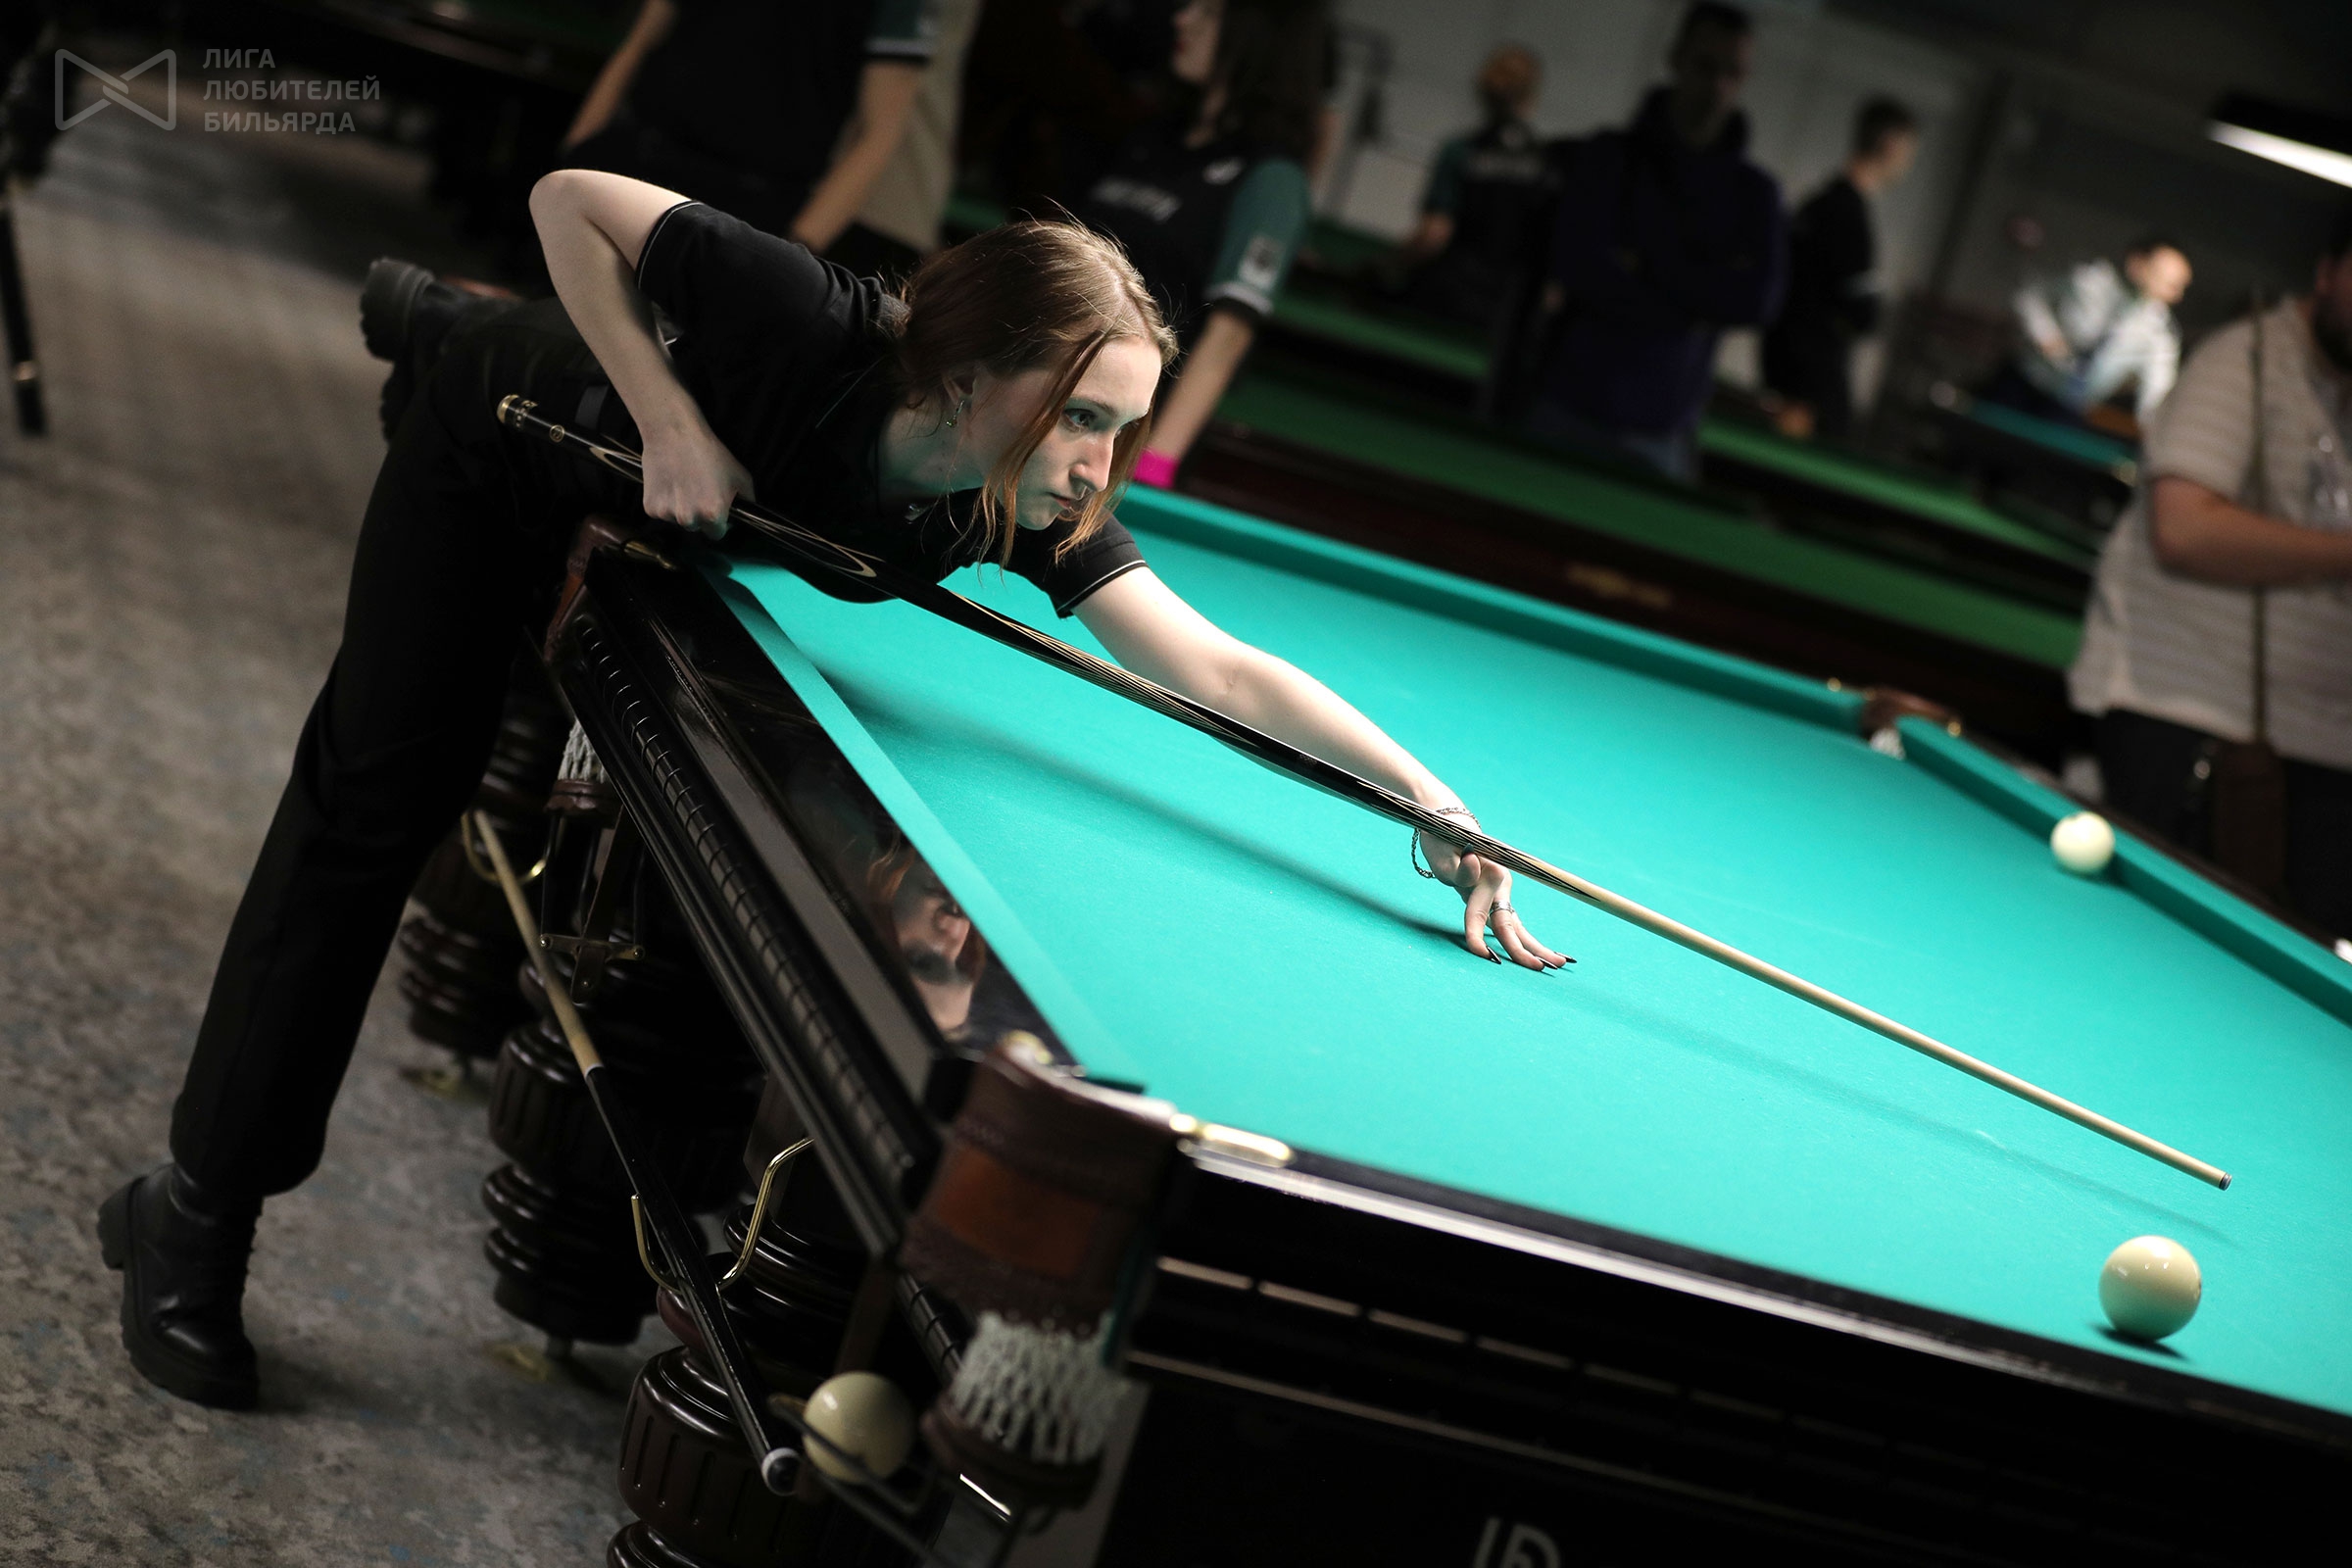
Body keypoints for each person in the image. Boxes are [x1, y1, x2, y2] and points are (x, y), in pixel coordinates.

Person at [95, 174, 1567, 1410]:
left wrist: (1427, 801)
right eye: (1083, 418)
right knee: (376, 806)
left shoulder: (1015, 502)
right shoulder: (806, 317)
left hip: (641, 509)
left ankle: (427, 316)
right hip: (510, 442)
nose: (1101, 465)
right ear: (974, 375)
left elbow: (1216, 668)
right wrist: (672, 419)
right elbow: (565, 200)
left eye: (1122, 428)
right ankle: (193, 1213)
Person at [2069, 214, 2352, 936]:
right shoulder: (2246, 361)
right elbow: (2185, 531)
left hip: (2315, 749)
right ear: (2327, 273)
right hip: (2193, 733)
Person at [1523, 2, 1786, 480]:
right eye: (1706, 66)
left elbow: (1757, 302)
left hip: (1663, 432)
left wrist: (1645, 264)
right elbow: (1579, 267)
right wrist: (1699, 296)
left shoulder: (1755, 194)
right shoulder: (1609, 159)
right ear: (1676, 60)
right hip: (1567, 409)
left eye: (1733, 73)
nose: (1717, 86)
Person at [1070, 0, 1325, 486]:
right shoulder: (1149, 138)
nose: (1181, 18)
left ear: (1256, 37)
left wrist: (1150, 470)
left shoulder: (1271, 179)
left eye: (1208, 12)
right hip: (1048, 409)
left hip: (1117, 450)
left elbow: (1228, 337)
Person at [559, 0, 935, 258]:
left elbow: (880, 131)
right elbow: (641, 41)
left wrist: (793, 249)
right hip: (631, 163)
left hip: (748, 212)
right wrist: (574, 155)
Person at [1760, 96, 1918, 441]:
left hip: (1785, 374)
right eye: (1909, 150)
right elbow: (1863, 315)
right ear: (1890, 144)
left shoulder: (1819, 204)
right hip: (1808, 394)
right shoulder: (1847, 216)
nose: (1908, 163)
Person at [1396, 44, 1556, 338]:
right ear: (1532, 97)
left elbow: (1433, 235)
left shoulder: (1462, 152)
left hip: (1447, 302)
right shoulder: (1549, 165)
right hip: (1509, 318)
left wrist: (1390, 264)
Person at [2002, 235, 2192, 427]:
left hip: (2068, 409)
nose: (2175, 294)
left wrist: (2157, 430)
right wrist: (2045, 335)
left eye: (2178, 286)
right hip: (2023, 382)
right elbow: (2030, 296)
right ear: (2137, 263)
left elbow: (2156, 395)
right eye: (2166, 280)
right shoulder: (2089, 279)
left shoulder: (2160, 334)